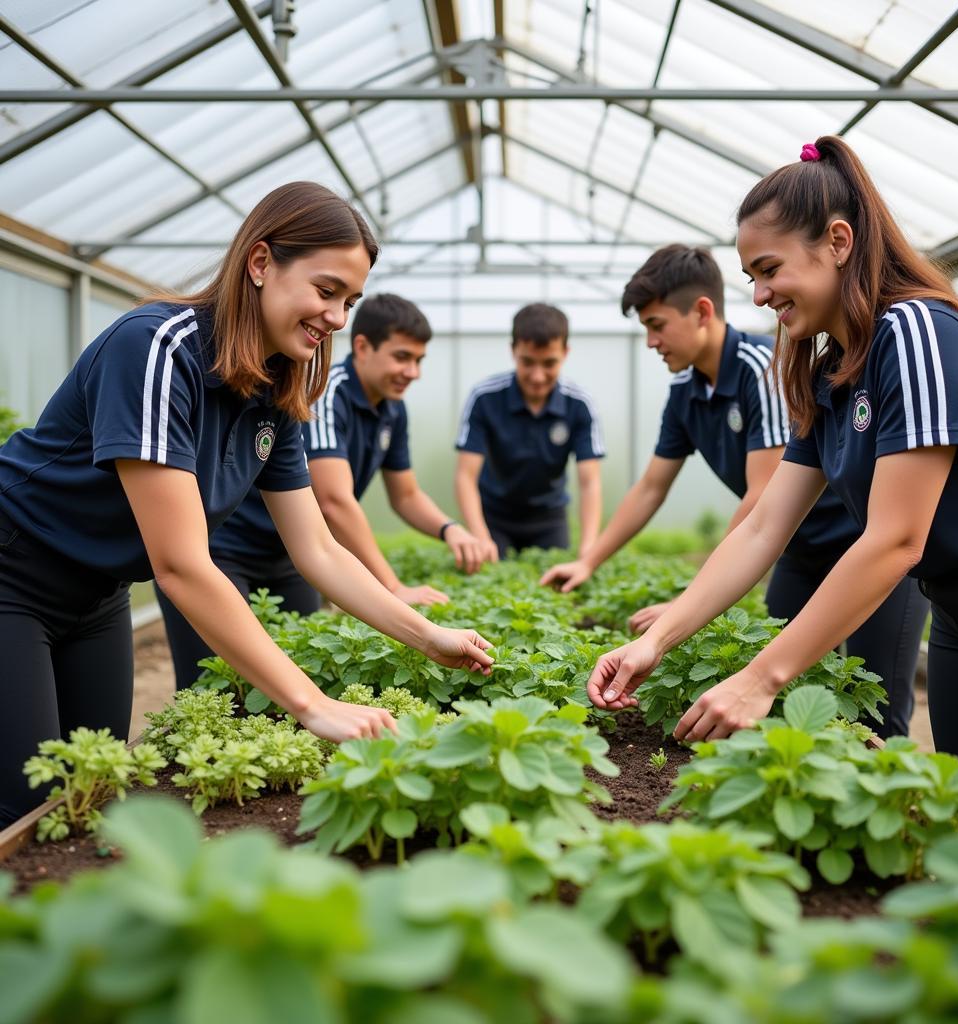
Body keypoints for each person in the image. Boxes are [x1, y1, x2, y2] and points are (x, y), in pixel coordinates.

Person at [0, 182, 493, 827]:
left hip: (99, 592)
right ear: (260, 264)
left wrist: (428, 637)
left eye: (350, 300)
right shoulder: (157, 347)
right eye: (326, 291)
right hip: (16, 573)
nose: (339, 318)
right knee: (28, 808)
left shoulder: (275, 385)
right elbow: (180, 564)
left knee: (93, 791)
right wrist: (311, 704)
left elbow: (316, 548)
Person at [587, 137, 958, 797]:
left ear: (838, 242)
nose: (759, 295)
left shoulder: (916, 332)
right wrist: (662, 638)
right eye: (751, 278)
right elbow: (765, 525)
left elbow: (896, 538)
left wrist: (761, 677)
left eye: (769, 269)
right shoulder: (828, 368)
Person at [541, 245, 928, 737]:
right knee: (789, 699)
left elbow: (761, 497)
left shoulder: (759, 366)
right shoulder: (686, 390)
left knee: (878, 712)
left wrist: (691, 598)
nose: (651, 341)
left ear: (702, 312)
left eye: (657, 325)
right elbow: (650, 488)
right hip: (796, 549)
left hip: (867, 545)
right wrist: (589, 560)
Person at [157, 292, 493, 689]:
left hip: (294, 556)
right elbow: (333, 502)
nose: (413, 372)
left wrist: (449, 528)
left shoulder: (392, 408)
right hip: (223, 552)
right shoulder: (324, 391)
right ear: (364, 347)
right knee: (212, 684)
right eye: (403, 357)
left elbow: (405, 494)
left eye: (419, 360)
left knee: (302, 671)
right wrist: (393, 586)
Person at [455, 303, 605, 558]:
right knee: (488, 575)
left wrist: (589, 547)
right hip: (493, 516)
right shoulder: (485, 397)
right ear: (513, 351)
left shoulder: (579, 405)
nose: (537, 376)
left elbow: (590, 482)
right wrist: (480, 537)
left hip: (550, 519)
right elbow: (465, 476)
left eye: (549, 363)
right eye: (527, 362)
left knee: (557, 584)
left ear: (565, 353)